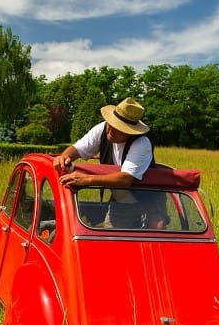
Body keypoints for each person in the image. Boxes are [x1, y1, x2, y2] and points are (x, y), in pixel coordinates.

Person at [53, 97, 167, 228]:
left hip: (148, 201)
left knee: (151, 238)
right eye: (110, 124)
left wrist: (85, 179)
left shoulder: (141, 143)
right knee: (110, 235)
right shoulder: (102, 129)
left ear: (130, 131)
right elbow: (78, 149)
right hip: (123, 199)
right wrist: (64, 156)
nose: (111, 130)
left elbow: (125, 179)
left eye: (118, 128)